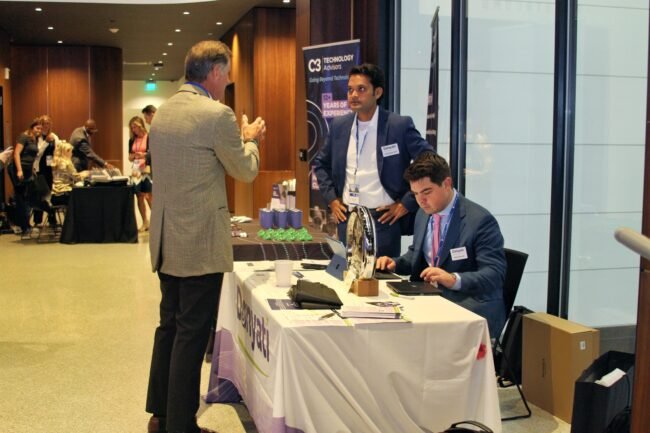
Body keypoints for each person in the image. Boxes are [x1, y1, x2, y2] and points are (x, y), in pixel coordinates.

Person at [146, 40, 266, 433]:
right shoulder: (217, 114)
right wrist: (251, 138)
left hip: (167, 240)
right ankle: (181, 426)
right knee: (192, 334)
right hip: (198, 242)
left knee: (169, 325)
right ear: (214, 71)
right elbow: (245, 170)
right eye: (227, 73)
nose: (228, 81)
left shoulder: (163, 112)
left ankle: (161, 414)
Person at [375, 152, 507, 339]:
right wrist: (394, 264)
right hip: (430, 300)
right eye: (415, 194)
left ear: (447, 183)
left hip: (468, 304)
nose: (421, 201)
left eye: (427, 192)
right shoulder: (423, 213)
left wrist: (453, 279)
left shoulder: (480, 220)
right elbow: (416, 255)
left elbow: (494, 274)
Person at [313, 63, 433, 257]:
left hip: (383, 220)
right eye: (350, 90)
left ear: (377, 92)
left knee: (382, 274)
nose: (353, 95)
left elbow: (429, 161)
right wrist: (332, 199)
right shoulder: (339, 126)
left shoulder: (398, 126)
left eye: (361, 89)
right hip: (347, 218)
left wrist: (406, 202)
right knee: (346, 273)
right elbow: (321, 164)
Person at [11, 118, 43, 235]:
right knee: (21, 198)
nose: (39, 130)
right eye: (37, 128)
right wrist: (19, 170)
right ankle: (24, 226)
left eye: (41, 129)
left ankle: (25, 224)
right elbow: (16, 153)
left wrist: (33, 168)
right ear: (31, 127)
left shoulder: (34, 139)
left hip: (28, 170)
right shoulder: (24, 136)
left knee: (28, 197)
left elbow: (32, 156)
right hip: (19, 169)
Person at [33, 115, 59, 227]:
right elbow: (37, 153)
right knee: (40, 194)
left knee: (51, 193)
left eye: (48, 124)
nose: (46, 126)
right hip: (40, 168)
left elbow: (58, 150)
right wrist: (46, 142)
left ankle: (52, 219)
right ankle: (37, 221)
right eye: (43, 124)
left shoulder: (54, 136)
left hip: (50, 169)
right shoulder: (37, 137)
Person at [127, 116, 152, 231]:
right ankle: (145, 221)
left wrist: (143, 155)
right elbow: (129, 157)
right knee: (139, 196)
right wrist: (133, 156)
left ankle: (155, 222)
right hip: (136, 170)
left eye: (135, 127)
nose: (133, 130)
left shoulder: (149, 137)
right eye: (132, 128)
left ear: (140, 126)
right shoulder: (132, 140)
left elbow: (152, 154)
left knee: (149, 196)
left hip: (147, 169)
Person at [51, 141, 88, 206]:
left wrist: (81, 173)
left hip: (54, 195)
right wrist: (86, 174)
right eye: (70, 151)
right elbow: (77, 178)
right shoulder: (67, 163)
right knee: (85, 196)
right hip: (65, 194)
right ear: (66, 152)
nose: (71, 154)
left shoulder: (55, 162)